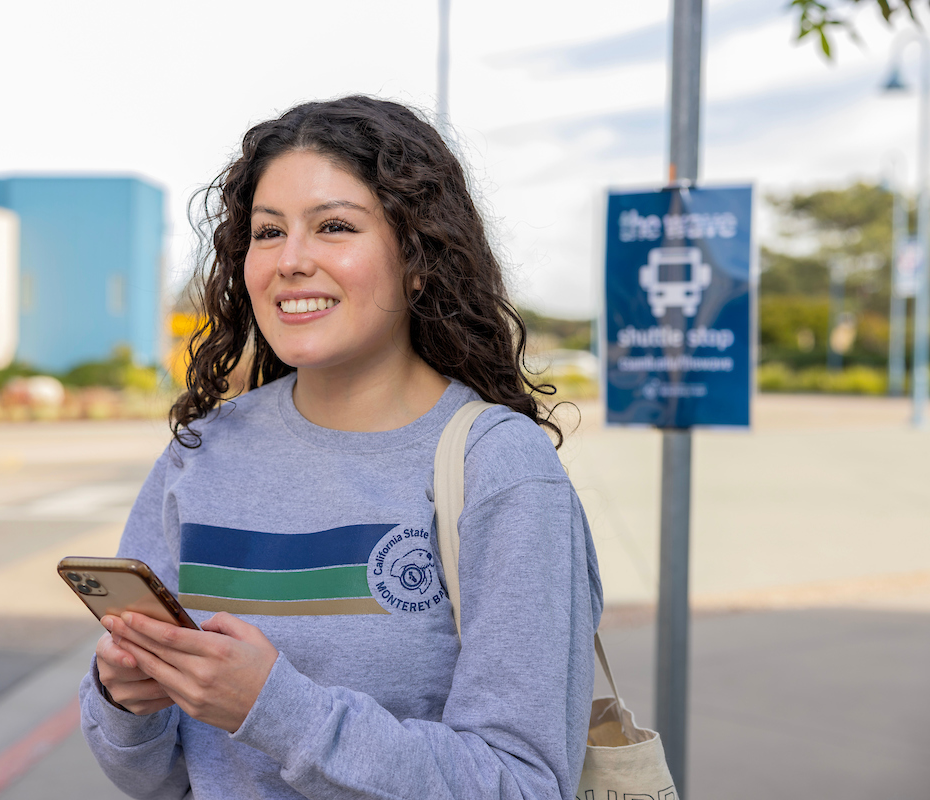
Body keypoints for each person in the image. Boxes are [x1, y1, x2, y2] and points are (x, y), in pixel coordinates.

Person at [80, 95, 603, 800]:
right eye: (267, 233)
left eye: (334, 226)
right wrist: (127, 702)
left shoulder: (497, 468)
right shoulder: (201, 455)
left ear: (419, 258)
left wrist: (274, 709)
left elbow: (522, 782)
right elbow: (157, 775)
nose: (291, 261)